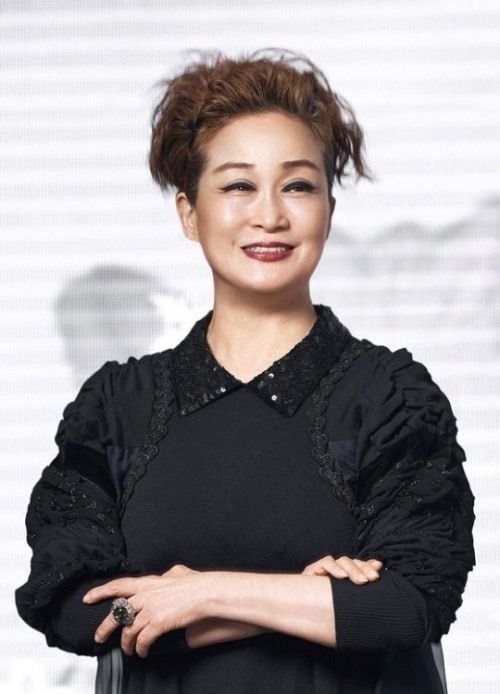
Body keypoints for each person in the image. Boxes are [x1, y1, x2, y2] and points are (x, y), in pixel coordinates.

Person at [15, 47, 475, 694]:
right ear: (188, 212)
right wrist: (298, 601)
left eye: (298, 186)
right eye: (238, 186)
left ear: (329, 209)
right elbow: (70, 605)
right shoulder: (120, 405)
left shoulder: (388, 398)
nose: (270, 215)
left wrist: (204, 594)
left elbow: (409, 604)